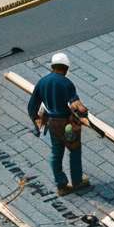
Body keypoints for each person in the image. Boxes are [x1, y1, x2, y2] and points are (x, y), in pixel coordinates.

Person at [28, 52, 89, 196]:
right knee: (74, 150)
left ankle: (61, 186)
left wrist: (37, 123)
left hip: (53, 124)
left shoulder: (42, 82)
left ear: (52, 66)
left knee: (56, 153)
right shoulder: (66, 83)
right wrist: (83, 112)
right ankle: (77, 182)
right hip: (67, 124)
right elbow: (76, 105)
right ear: (66, 68)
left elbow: (31, 107)